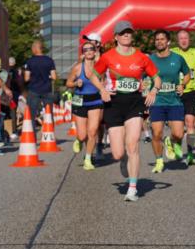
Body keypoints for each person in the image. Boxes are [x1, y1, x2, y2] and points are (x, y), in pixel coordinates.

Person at [96, 20, 160, 201]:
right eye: (123, 33)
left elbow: (157, 78)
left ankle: (133, 188)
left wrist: (154, 90)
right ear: (116, 37)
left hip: (134, 103)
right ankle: (123, 160)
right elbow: (93, 74)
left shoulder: (142, 57)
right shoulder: (107, 56)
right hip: (114, 104)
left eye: (129, 32)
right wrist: (102, 89)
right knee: (117, 152)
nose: (126, 35)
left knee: (133, 145)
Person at [148, 30, 190, 173]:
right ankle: (159, 161)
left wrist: (182, 85)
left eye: (162, 39)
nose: (159, 42)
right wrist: (141, 84)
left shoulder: (178, 58)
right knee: (157, 133)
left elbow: (188, 74)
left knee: (178, 134)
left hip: (174, 101)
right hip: (157, 101)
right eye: (157, 40)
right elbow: (140, 75)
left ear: (168, 42)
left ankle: (170, 141)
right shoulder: (150, 59)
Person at [65, 40, 106, 170]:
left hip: (96, 101)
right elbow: (68, 83)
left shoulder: (100, 67)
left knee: (93, 131)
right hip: (80, 101)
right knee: (83, 135)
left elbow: (104, 82)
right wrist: (76, 83)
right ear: (83, 53)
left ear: (95, 52)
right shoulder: (78, 68)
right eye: (86, 49)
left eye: (91, 49)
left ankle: (88, 159)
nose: (88, 51)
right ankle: (79, 139)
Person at [171, 30, 195, 166]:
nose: (183, 40)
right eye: (181, 38)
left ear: (189, 40)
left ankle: (191, 154)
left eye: (186, 38)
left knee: (190, 123)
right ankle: (174, 142)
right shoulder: (173, 51)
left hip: (191, 91)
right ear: (177, 40)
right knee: (178, 130)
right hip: (176, 92)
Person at [24, 39, 57, 131]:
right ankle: (50, 136)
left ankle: (32, 136)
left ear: (35, 48)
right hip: (47, 89)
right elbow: (54, 77)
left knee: (32, 114)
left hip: (33, 90)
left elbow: (26, 78)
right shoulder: (49, 60)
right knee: (49, 113)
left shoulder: (30, 61)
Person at [7, 56, 27, 135]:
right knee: (13, 112)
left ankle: (6, 130)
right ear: (14, 63)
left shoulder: (5, 70)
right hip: (14, 94)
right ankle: (13, 130)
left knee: (5, 112)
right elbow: (20, 83)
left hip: (5, 94)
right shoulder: (15, 72)